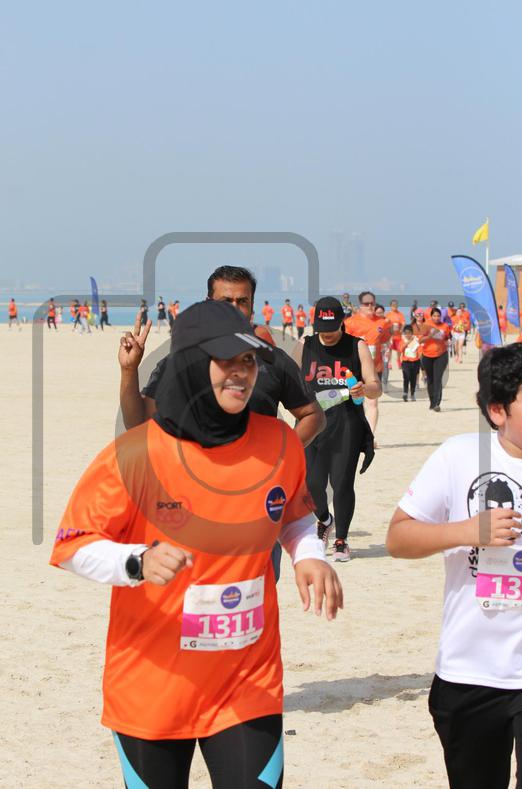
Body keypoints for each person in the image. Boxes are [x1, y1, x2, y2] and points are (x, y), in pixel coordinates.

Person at [50, 300, 342, 789]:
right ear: (188, 363)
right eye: (226, 360)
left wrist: (308, 555)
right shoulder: (136, 453)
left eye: (248, 361)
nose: (241, 373)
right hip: (152, 686)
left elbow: (293, 514)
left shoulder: (279, 442)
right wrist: (136, 561)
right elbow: (72, 545)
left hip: (247, 680)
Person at [119, 266, 325, 581]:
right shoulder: (181, 361)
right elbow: (139, 423)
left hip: (256, 506)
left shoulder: (271, 361)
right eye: (225, 301)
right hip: (192, 504)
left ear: (252, 307)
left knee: (255, 596)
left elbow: (312, 415)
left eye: (242, 301)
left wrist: (281, 458)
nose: (234, 308)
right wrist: (129, 371)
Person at [386, 342, 522, 789]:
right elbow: (398, 538)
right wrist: (467, 531)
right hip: (471, 672)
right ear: (498, 410)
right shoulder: (459, 455)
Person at [297, 297, 379, 561]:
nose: (328, 334)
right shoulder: (305, 345)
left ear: (342, 322)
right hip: (311, 423)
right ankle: (324, 519)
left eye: (332, 328)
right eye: (322, 329)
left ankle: (341, 539)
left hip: (347, 423)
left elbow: (375, 386)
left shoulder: (357, 346)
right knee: (311, 485)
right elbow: (288, 380)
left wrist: (364, 389)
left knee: (342, 483)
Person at [344, 291, 390, 440]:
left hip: (375, 368)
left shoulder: (382, 322)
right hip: (354, 369)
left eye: (372, 303)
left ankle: (370, 436)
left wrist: (386, 354)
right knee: (353, 403)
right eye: (366, 304)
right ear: (360, 305)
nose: (370, 306)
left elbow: (385, 340)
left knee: (372, 402)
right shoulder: (350, 322)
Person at [419, 307, 450, 411]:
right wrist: (430, 336)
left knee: (438, 378)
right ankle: (432, 402)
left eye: (438, 316)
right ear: (431, 316)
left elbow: (447, 338)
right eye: (434, 316)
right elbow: (420, 340)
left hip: (441, 355)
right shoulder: (425, 325)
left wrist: (448, 341)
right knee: (430, 379)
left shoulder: (445, 326)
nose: (436, 318)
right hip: (427, 355)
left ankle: (436, 403)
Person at [400, 324, 420, 401]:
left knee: (413, 379)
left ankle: (412, 394)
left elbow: (419, 350)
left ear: (412, 333)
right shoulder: (403, 340)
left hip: (415, 362)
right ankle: (405, 393)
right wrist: (407, 342)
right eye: (406, 333)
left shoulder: (416, 341)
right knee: (406, 377)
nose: (408, 335)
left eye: (409, 333)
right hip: (406, 362)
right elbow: (401, 349)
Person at [386, 299, 405, 369]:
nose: (394, 306)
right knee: (389, 349)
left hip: (398, 335)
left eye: (396, 305)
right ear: (390, 306)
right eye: (393, 305)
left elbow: (403, 323)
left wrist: (401, 329)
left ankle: (399, 362)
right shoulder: (388, 314)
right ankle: (389, 363)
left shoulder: (400, 314)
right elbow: (385, 323)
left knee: (399, 349)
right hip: (390, 335)